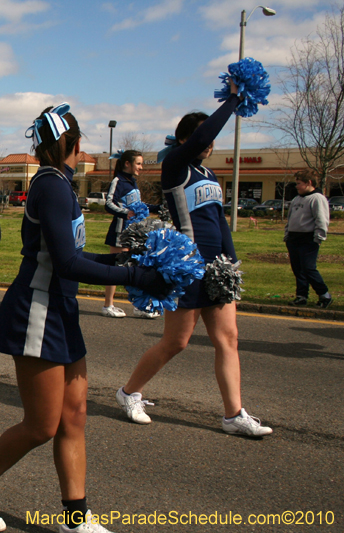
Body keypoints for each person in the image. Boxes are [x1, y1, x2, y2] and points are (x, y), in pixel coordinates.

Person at [0, 105, 171, 533]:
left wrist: (123, 259)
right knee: (41, 426)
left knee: (74, 416)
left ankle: (76, 520)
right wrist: (135, 277)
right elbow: (67, 264)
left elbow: (72, 255)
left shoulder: (58, 183)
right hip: (37, 309)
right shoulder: (52, 186)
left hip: (61, 307)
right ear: (74, 144)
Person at [115, 84, 273, 438]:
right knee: (177, 342)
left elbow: (218, 220)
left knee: (228, 338)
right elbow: (202, 134)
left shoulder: (210, 175)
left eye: (212, 140)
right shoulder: (175, 166)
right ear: (185, 140)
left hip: (215, 267)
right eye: (203, 138)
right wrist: (233, 100)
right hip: (186, 265)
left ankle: (233, 415)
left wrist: (230, 263)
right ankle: (128, 392)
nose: (209, 143)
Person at [102, 150, 159, 319]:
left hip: (135, 234)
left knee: (136, 269)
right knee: (116, 268)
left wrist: (158, 208)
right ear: (127, 163)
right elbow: (109, 203)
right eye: (138, 163)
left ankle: (139, 306)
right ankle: (108, 305)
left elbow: (139, 205)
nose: (141, 167)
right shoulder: (118, 181)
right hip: (120, 232)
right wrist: (126, 213)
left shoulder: (132, 182)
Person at [285, 169, 332, 308]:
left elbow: (321, 219)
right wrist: (287, 235)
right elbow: (290, 218)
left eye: (299, 183)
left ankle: (324, 294)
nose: (297, 186)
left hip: (308, 239)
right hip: (294, 238)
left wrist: (318, 237)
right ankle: (301, 296)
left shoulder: (317, 198)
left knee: (308, 268)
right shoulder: (297, 199)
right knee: (298, 269)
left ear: (308, 183)